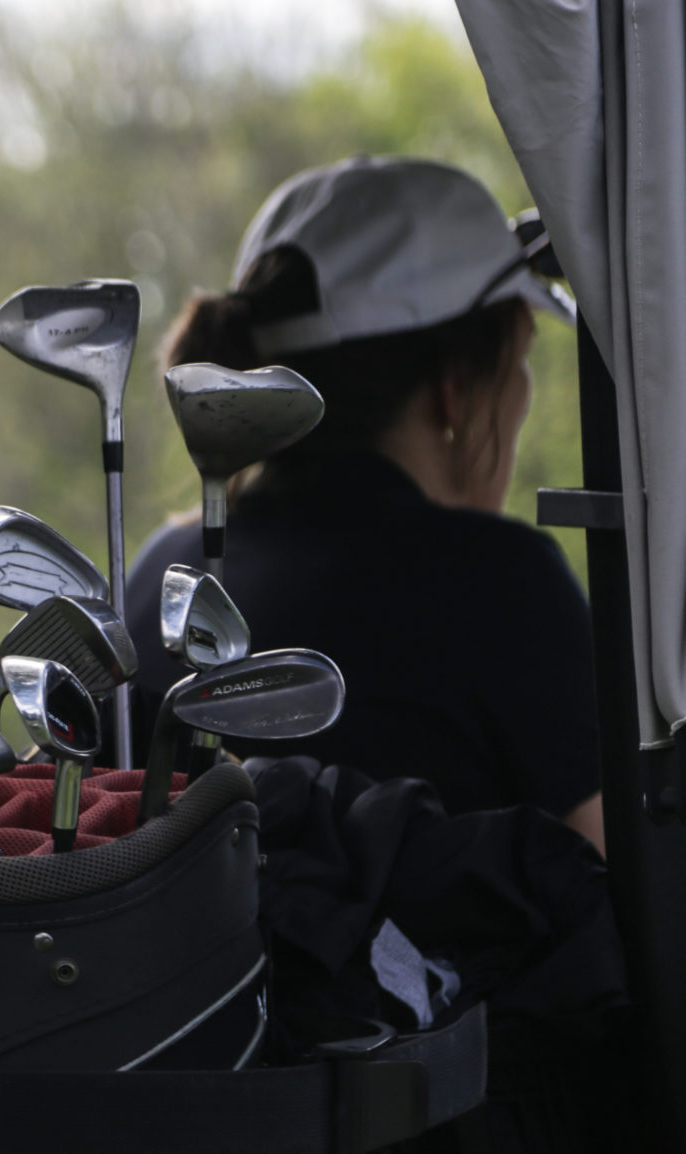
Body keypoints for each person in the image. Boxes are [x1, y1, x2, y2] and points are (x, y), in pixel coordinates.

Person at [124, 155, 603, 851]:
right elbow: (627, 889)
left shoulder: (160, 569)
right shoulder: (503, 583)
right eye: (518, 359)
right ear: (455, 387)